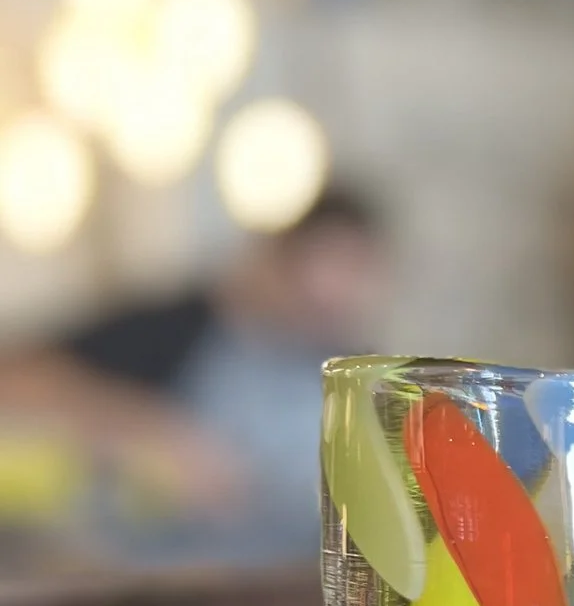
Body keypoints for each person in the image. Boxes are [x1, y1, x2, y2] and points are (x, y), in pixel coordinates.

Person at [0, 187, 388, 567]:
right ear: (274, 259)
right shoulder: (180, 328)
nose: (333, 292)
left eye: (354, 271)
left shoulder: (365, 377)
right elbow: (17, 379)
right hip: (163, 598)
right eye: (322, 266)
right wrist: (153, 432)